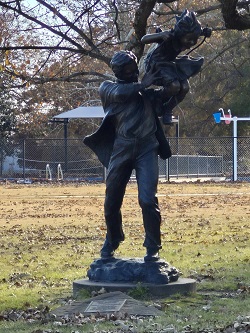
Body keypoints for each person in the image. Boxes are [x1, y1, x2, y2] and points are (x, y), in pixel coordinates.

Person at [84, 50, 172, 262]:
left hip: (146, 148)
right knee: (111, 202)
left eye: (136, 71)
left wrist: (172, 80)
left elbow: (170, 96)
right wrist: (144, 83)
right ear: (119, 73)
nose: (135, 75)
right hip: (121, 148)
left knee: (148, 200)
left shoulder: (146, 95)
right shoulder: (108, 88)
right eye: (130, 72)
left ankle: (153, 246)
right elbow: (122, 94)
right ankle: (113, 239)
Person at [141, 9, 212, 125]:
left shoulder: (188, 34)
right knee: (174, 86)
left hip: (170, 64)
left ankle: (167, 110)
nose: (191, 42)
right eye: (189, 40)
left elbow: (196, 33)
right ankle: (157, 96)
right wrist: (160, 35)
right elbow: (143, 39)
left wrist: (205, 32)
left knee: (184, 88)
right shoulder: (170, 36)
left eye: (194, 40)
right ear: (180, 34)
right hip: (155, 65)